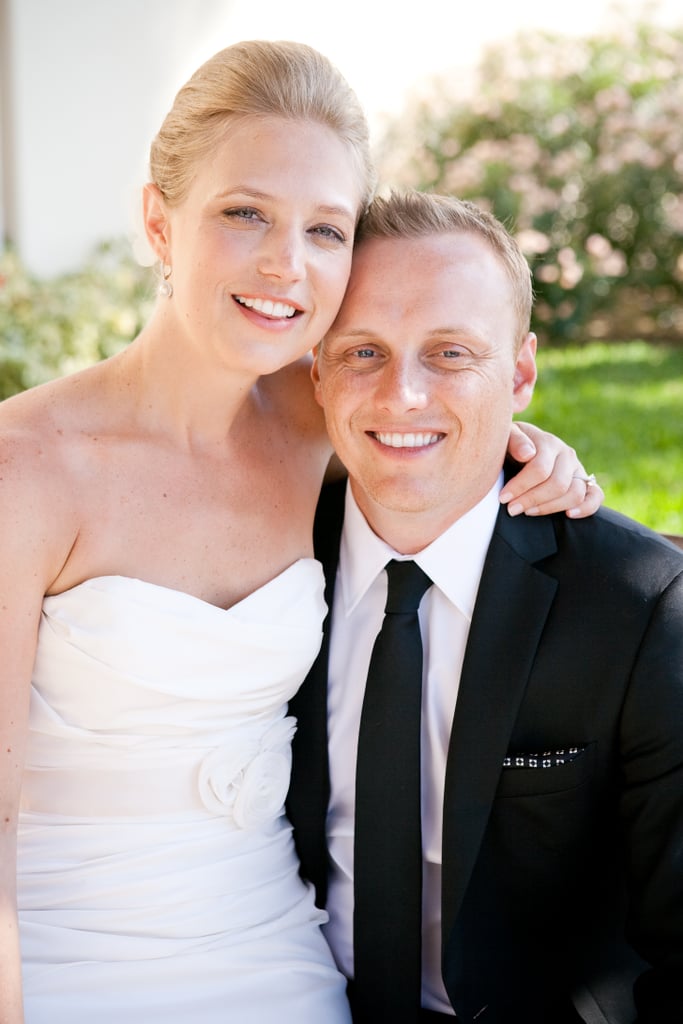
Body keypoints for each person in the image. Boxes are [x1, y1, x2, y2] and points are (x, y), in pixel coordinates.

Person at [0, 41, 602, 1024]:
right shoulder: (24, 471)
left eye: (324, 230)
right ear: (159, 221)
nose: (286, 263)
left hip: (272, 954)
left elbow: (429, 409)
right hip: (58, 961)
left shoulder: (313, 423)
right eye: (245, 213)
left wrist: (529, 443)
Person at [288, 189, 683, 1024]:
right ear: (314, 367)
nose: (402, 395)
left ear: (522, 372)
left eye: (450, 353)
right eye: (362, 351)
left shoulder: (636, 603)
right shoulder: (258, 564)